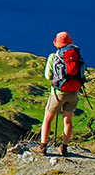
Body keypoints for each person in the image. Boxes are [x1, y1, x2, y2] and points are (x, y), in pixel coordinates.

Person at [36, 31, 84, 159]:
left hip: (58, 93)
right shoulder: (77, 56)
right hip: (73, 93)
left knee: (48, 118)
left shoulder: (54, 56)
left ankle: (43, 146)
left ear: (57, 43)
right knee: (68, 121)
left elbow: (48, 76)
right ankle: (64, 147)